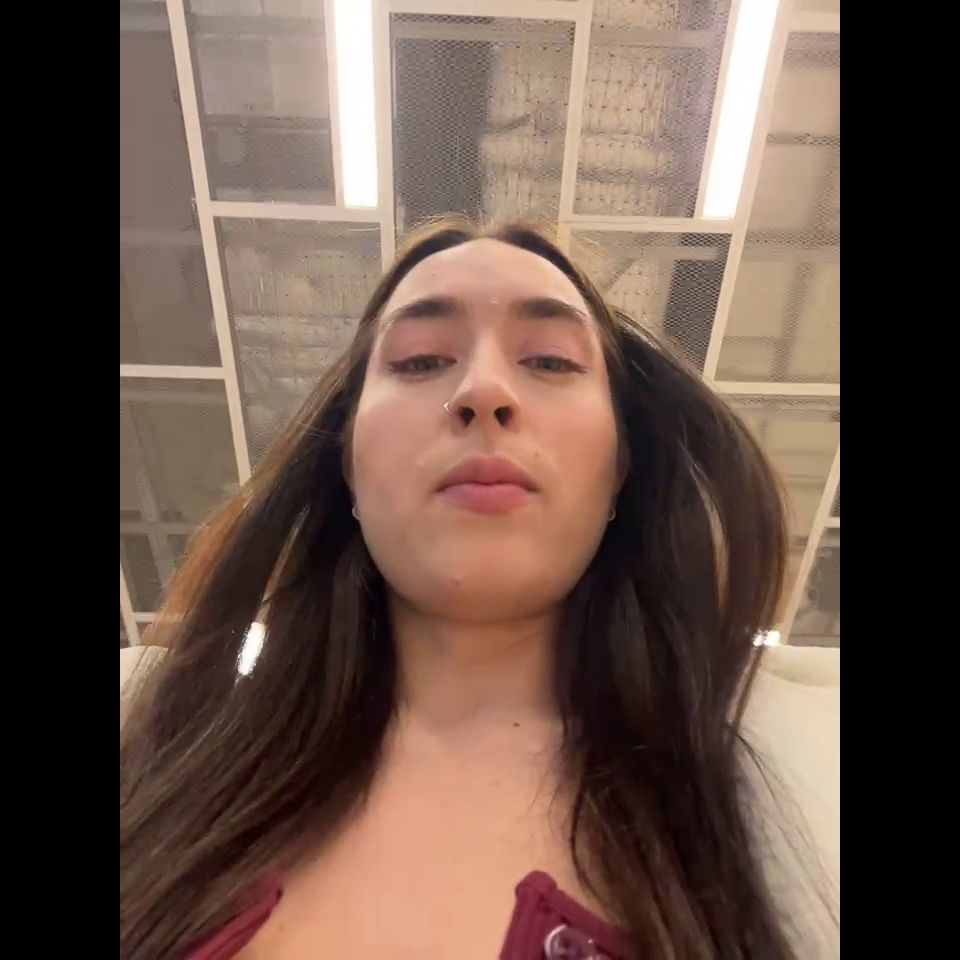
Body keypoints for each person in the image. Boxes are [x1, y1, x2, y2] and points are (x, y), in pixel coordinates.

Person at [120, 218, 839, 959]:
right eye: (421, 360)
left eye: (551, 361)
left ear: (620, 469)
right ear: (349, 467)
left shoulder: (795, 787)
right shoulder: (154, 750)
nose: (483, 389)